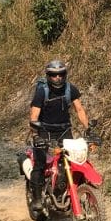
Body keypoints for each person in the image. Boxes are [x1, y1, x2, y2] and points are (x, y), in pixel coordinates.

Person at [27, 60, 89, 212]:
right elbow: (34, 115)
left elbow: (79, 110)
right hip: (44, 131)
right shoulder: (42, 91)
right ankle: (36, 198)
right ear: (48, 76)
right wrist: (36, 135)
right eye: (54, 75)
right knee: (40, 165)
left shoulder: (70, 89)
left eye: (61, 74)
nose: (58, 78)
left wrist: (88, 129)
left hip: (64, 131)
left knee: (77, 161)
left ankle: (77, 192)